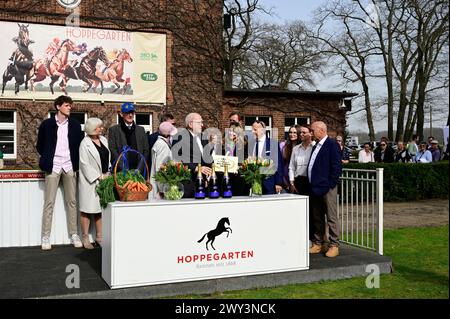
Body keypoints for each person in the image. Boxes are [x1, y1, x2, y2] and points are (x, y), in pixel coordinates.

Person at [36, 95, 84, 251]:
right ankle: (45, 236)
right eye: (66, 105)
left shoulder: (75, 125)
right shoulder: (47, 124)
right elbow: (40, 146)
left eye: (70, 105)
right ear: (58, 107)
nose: (69, 107)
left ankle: (74, 234)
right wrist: (49, 157)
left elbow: (79, 145)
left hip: (69, 166)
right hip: (53, 166)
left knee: (72, 202)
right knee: (49, 203)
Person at [307, 121, 342, 258]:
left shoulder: (332, 144)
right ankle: (318, 243)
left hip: (327, 188)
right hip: (315, 187)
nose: (311, 132)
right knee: (317, 216)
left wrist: (330, 185)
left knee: (331, 216)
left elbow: (336, 167)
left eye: (312, 130)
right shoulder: (316, 145)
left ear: (321, 130)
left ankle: (334, 245)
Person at [78, 117, 110, 249]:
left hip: (104, 178)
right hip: (89, 181)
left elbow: (108, 157)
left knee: (99, 209)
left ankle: (99, 237)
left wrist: (107, 172)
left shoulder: (103, 140)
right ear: (92, 129)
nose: (101, 129)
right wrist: (98, 176)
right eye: (99, 127)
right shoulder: (84, 143)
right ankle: (85, 237)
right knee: (86, 209)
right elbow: (84, 164)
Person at [172, 113, 212, 198]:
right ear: (190, 124)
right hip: (188, 184)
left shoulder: (203, 137)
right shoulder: (180, 136)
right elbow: (177, 158)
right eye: (199, 122)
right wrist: (196, 168)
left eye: (202, 122)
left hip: (203, 183)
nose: (202, 125)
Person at [108, 102, 149, 172]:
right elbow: (113, 150)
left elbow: (146, 150)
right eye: (127, 113)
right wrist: (122, 168)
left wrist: (140, 168)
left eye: (132, 113)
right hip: (122, 171)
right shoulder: (114, 130)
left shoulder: (141, 130)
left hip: (138, 170)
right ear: (121, 114)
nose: (130, 115)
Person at [250, 120, 283, 194]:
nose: (252, 132)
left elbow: (278, 163)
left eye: (255, 130)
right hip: (254, 183)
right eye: (252, 129)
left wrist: (278, 183)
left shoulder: (272, 143)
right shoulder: (251, 144)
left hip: (269, 183)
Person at [149, 122, 178, 199]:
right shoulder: (163, 146)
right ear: (167, 135)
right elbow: (160, 170)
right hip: (160, 192)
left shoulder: (160, 143)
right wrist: (163, 190)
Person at [224, 122, 249, 196]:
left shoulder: (244, 146)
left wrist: (238, 167)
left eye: (232, 132)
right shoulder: (225, 146)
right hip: (227, 177)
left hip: (240, 178)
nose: (230, 133)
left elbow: (245, 161)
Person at [280, 125, 301, 191]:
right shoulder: (283, 145)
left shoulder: (302, 147)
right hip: (285, 178)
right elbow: (280, 165)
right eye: (290, 132)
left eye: (295, 132)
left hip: (298, 178)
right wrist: (283, 180)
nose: (292, 134)